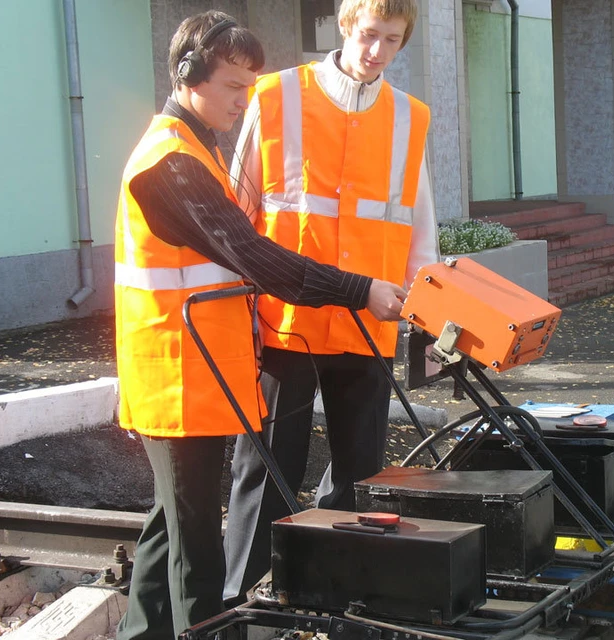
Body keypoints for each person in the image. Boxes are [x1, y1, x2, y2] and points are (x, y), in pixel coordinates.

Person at [113, 11, 406, 639]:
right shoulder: (170, 165)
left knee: (169, 528)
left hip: (196, 377)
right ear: (189, 77)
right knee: (195, 546)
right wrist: (361, 290)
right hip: (175, 380)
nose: (243, 101)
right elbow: (261, 260)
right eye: (231, 87)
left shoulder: (195, 149)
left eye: (250, 87)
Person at [223, 0, 438, 605]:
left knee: (359, 476)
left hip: (368, 326)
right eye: (369, 35)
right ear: (344, 27)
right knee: (264, 472)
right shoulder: (275, 97)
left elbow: (421, 227)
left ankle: (332, 597)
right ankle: (242, 604)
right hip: (282, 323)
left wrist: (422, 311)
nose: (377, 51)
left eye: (391, 40)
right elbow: (239, 218)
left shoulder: (409, 118)